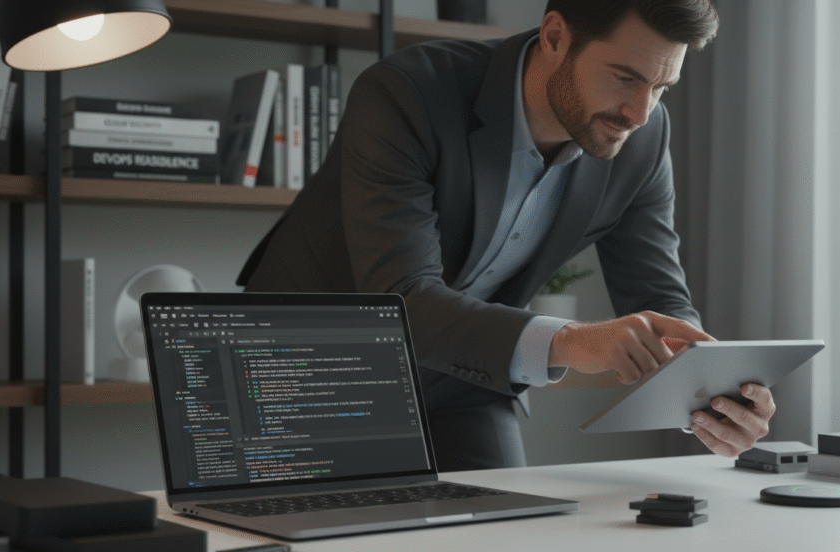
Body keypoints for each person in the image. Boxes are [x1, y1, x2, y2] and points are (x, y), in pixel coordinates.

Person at [238, 0, 774, 471]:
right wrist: (571, 341)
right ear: (556, 37)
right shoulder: (409, 93)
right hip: (309, 361)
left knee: (505, 547)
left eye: (661, 86)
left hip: (463, 379)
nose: (640, 112)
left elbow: (658, 300)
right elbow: (400, 298)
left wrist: (712, 395)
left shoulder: (642, 137)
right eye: (625, 77)